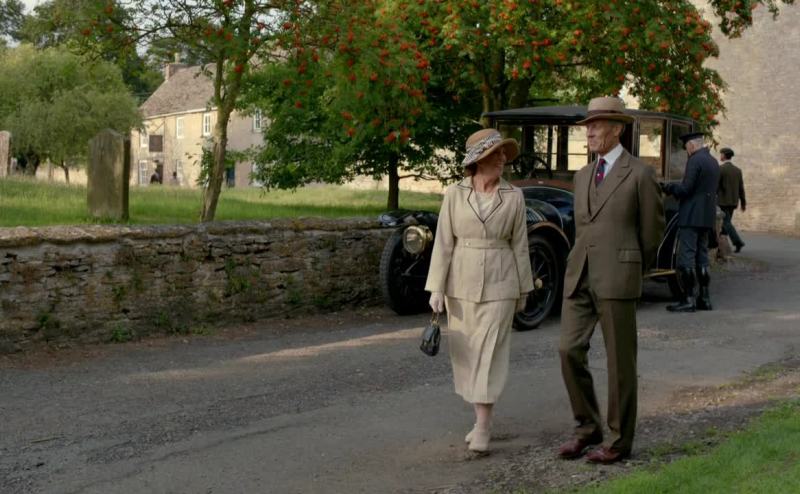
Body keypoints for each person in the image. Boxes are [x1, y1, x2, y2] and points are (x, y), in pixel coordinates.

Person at [557, 96, 665, 464]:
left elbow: (652, 233)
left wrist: (632, 267)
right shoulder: (583, 175)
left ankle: (619, 442)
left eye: (596, 125)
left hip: (618, 276)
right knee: (568, 350)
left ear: (617, 129)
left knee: (620, 363)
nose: (588, 132)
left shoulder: (640, 174)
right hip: (580, 276)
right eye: (587, 126)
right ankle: (587, 429)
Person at [425, 128, 533, 454]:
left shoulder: (514, 196)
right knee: (468, 354)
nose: (502, 159)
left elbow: (521, 245)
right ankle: (479, 419)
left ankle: (484, 426)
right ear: (479, 160)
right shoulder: (454, 194)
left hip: (502, 282)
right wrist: (436, 288)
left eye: (503, 153)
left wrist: (524, 289)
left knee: (490, 354)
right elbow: (443, 243)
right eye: (496, 154)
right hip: (460, 284)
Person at [663, 132, 721, 312]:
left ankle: (688, 300)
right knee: (702, 257)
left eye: (686, 147)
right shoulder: (713, 161)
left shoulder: (695, 160)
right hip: (706, 216)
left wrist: (669, 188)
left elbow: (686, 189)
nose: (686, 150)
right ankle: (704, 299)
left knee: (686, 258)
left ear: (692, 145)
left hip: (691, 215)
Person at [717, 147, 746, 253]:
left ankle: (738, 242)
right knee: (726, 225)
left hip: (723, 201)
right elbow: (741, 188)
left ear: (724, 156)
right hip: (733, 202)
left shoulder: (721, 169)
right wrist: (743, 202)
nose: (720, 156)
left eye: (721, 154)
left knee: (726, 223)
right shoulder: (738, 170)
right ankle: (722, 247)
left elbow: (716, 186)